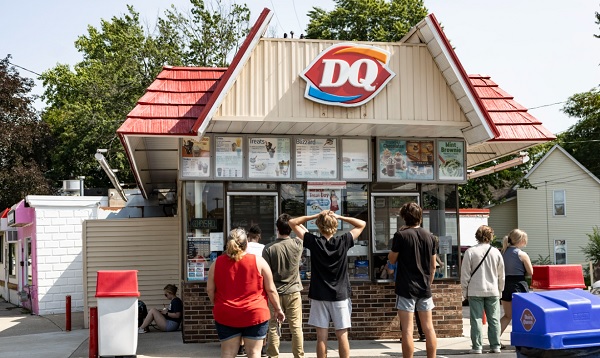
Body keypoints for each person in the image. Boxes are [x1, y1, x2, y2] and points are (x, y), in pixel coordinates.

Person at [289, 210, 366, 358]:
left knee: (321, 337)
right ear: (335, 226)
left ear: (319, 226)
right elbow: (362, 224)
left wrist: (315, 216)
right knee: (342, 335)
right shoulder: (343, 241)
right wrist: (340, 216)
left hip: (319, 295)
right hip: (340, 295)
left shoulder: (314, 242)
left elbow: (293, 222)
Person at [207, 228, 285, 358]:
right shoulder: (259, 262)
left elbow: (210, 289)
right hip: (254, 313)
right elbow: (271, 289)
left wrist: (218, 303)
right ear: (246, 243)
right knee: (254, 353)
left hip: (226, 313)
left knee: (227, 353)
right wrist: (278, 309)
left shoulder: (216, 264)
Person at [387, 202, 437, 358]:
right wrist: (428, 283)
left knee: (407, 330)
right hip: (424, 287)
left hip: (406, 287)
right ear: (420, 217)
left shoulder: (400, 235)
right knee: (428, 327)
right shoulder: (430, 236)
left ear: (404, 217)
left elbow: (392, 259)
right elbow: (433, 266)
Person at [262, 214, 305, 358]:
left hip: (274, 293)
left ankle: (273, 355)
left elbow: (265, 275)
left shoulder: (268, 249)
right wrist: (296, 224)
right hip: (293, 291)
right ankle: (298, 355)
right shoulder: (297, 244)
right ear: (291, 229)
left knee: (273, 326)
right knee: (296, 327)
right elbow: (307, 234)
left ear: (277, 229)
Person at [460, 225, 505, 354]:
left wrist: (464, 290)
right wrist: (501, 289)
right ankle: (495, 345)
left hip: (475, 289)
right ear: (491, 236)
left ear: (477, 236)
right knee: (494, 319)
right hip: (493, 290)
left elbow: (465, 274)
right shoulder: (496, 252)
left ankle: (477, 346)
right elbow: (501, 274)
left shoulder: (470, 252)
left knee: (476, 319)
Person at [500, 229, 533, 338]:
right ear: (522, 240)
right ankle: (522, 339)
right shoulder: (522, 254)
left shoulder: (502, 252)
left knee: (507, 315)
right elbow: (531, 272)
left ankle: (494, 339)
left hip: (505, 284)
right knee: (522, 315)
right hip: (519, 285)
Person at [241, 224, 265, 356]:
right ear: (259, 236)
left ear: (248, 236)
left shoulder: (244, 248)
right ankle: (262, 347)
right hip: (259, 287)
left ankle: (241, 346)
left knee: (242, 317)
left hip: (243, 286)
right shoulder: (264, 248)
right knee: (260, 319)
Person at [386, 260, 425, 342]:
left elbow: (390, 271)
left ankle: (406, 336)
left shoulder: (396, 255)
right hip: (421, 284)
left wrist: (387, 265)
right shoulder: (419, 253)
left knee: (404, 311)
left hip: (404, 286)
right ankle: (423, 334)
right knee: (421, 311)